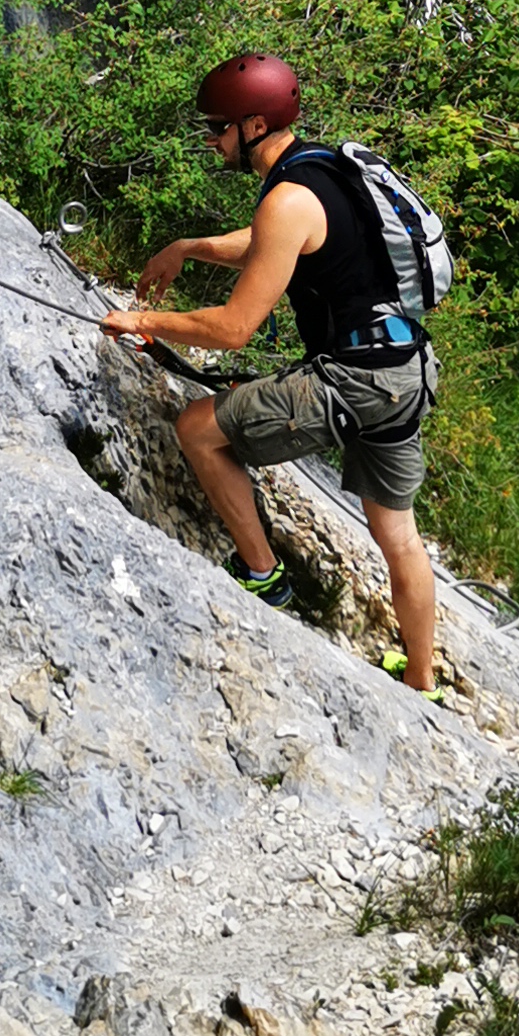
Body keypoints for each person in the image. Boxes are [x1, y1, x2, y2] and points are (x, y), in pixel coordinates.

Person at [101, 55, 438, 695]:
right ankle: (422, 682)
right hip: (404, 370)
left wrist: (143, 320)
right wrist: (189, 247)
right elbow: (270, 244)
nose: (212, 139)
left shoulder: (286, 197)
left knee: (198, 428)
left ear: (253, 125)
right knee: (398, 534)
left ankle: (263, 576)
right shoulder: (322, 169)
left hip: (354, 377)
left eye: (218, 127)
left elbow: (233, 329)